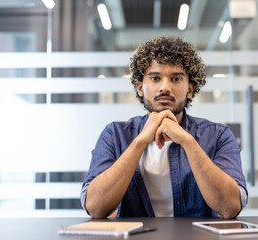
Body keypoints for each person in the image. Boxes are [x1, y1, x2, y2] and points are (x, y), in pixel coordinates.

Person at [81, 36, 247, 219]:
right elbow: (95, 207)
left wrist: (187, 141)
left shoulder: (217, 135)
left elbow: (230, 207)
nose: (165, 87)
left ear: (190, 89)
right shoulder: (114, 135)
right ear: (140, 88)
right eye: (155, 78)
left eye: (176, 79)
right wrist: (141, 141)